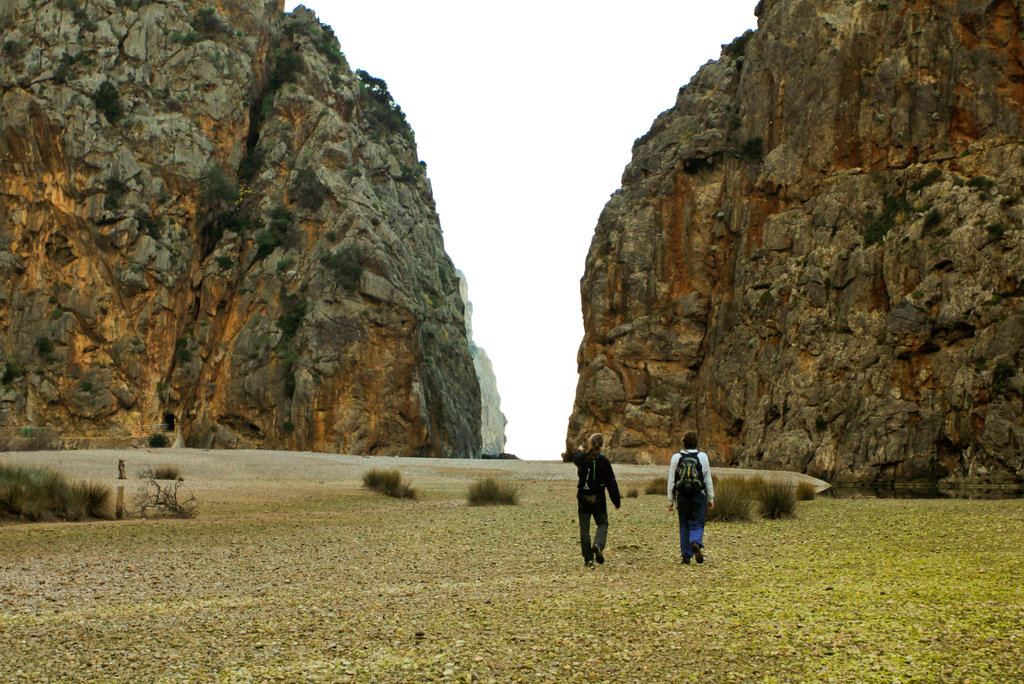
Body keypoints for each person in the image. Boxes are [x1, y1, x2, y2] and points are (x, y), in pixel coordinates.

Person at [562, 433, 621, 567]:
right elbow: (611, 483)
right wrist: (616, 502)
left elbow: (574, 457)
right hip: (598, 498)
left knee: (584, 530)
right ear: (601, 445)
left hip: (583, 496)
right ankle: (598, 544)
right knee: (602, 523)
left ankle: (588, 559)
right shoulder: (603, 461)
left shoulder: (582, 458)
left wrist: (580, 450)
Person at [667, 431, 714, 564]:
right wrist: (711, 498)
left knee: (683, 524)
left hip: (682, 497)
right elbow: (708, 479)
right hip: (698, 495)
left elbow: (671, 480)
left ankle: (686, 556)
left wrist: (670, 501)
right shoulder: (703, 457)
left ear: (683, 443)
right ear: (696, 443)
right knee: (697, 522)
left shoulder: (676, 458)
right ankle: (696, 542)